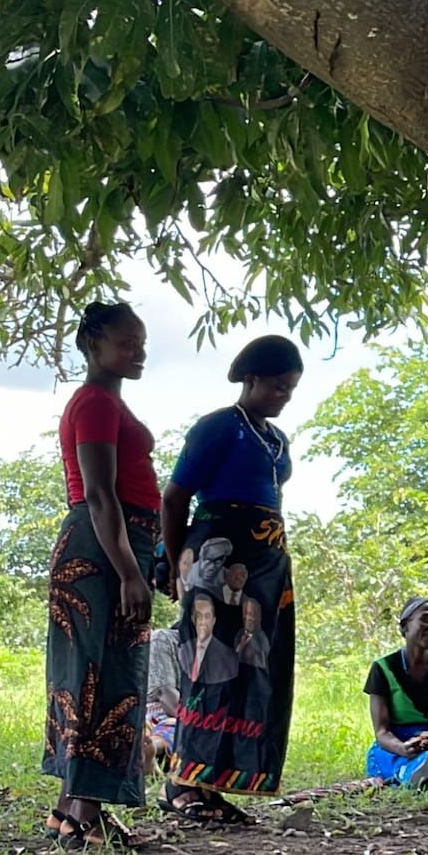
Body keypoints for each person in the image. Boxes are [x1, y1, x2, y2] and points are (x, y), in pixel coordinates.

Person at [158, 335, 303, 824]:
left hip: (264, 565)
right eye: (278, 386)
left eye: (291, 388)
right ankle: (181, 782)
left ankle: (216, 785)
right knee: (207, 667)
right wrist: (177, 563)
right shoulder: (218, 427)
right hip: (215, 560)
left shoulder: (277, 440)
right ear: (251, 378)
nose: (284, 396)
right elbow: (175, 498)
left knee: (253, 670)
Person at [43, 301, 160, 849]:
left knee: (91, 668)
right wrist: (130, 572)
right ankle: (85, 813)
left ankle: (70, 808)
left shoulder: (106, 401)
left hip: (109, 544)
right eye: (125, 342)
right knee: (103, 673)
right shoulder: (93, 402)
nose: (137, 351)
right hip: (103, 547)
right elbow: (97, 493)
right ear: (94, 345)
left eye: (141, 342)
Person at [364, 597, 428, 793]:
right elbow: (382, 732)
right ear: (405, 626)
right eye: (426, 619)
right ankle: (426, 776)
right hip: (395, 743)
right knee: (402, 761)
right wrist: (403, 747)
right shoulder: (382, 668)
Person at [177, 591, 239, 685]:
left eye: (207, 616)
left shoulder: (228, 657)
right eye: (199, 616)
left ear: (213, 620)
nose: (203, 621)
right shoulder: (182, 651)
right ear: (193, 619)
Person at [146, 626, 181, 769]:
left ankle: (152, 750)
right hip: (161, 712)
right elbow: (166, 696)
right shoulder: (163, 639)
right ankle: (148, 750)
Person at [234, 596, 271, 669]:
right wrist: (241, 645)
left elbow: (265, 659)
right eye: (246, 614)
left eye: (251, 614)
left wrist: (252, 639)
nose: (248, 618)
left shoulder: (262, 637)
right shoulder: (239, 634)